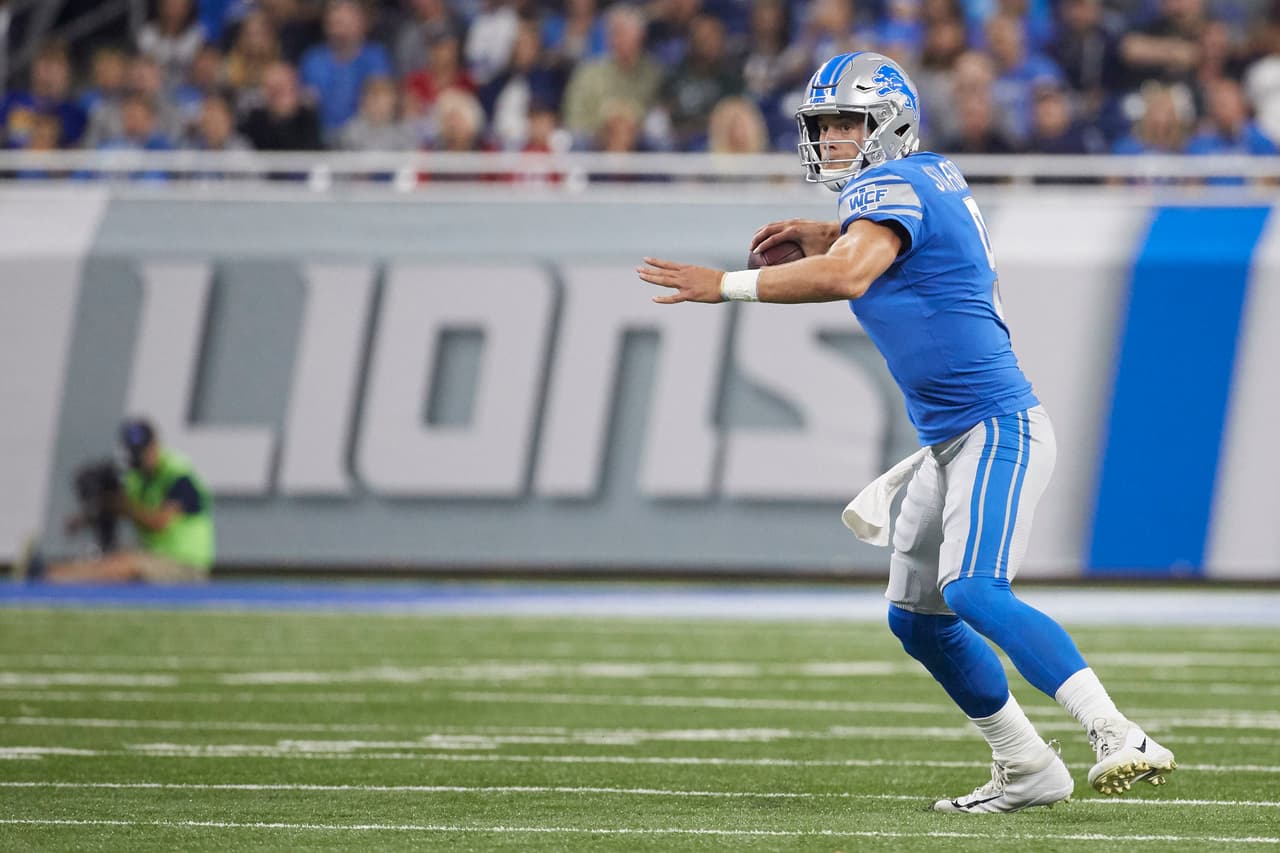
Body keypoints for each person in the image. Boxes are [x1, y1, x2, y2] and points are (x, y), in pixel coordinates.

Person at [636, 51, 1176, 814]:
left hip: (996, 426)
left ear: (888, 124)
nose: (830, 142)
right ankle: (1025, 764)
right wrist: (827, 231)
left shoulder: (890, 184)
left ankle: (1118, 730)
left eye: (845, 125)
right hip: (950, 439)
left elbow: (853, 273)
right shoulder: (919, 179)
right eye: (822, 127)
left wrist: (725, 285)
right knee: (918, 620)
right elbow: (895, 250)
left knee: (973, 589)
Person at [18, 418, 215, 584]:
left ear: (154, 446)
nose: (139, 458)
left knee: (127, 563)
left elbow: (159, 522)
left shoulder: (178, 475)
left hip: (186, 565)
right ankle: (45, 570)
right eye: (134, 452)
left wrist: (122, 506)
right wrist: (87, 517)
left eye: (142, 452)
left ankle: (50, 577)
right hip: (157, 557)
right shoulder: (138, 478)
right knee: (111, 558)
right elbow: (123, 506)